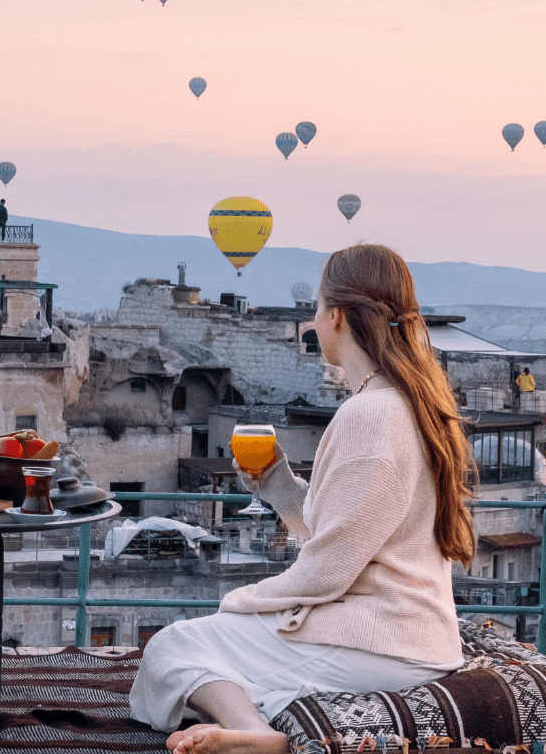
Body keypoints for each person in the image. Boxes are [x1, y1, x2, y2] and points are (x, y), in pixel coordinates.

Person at [130, 244, 476, 754]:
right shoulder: (409, 404)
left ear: (335, 316)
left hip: (383, 641)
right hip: (413, 635)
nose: (314, 322)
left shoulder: (369, 415)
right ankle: (262, 718)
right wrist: (281, 489)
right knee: (213, 648)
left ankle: (253, 730)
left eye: (316, 310)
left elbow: (329, 569)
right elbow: (353, 533)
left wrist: (241, 604)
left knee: (174, 646)